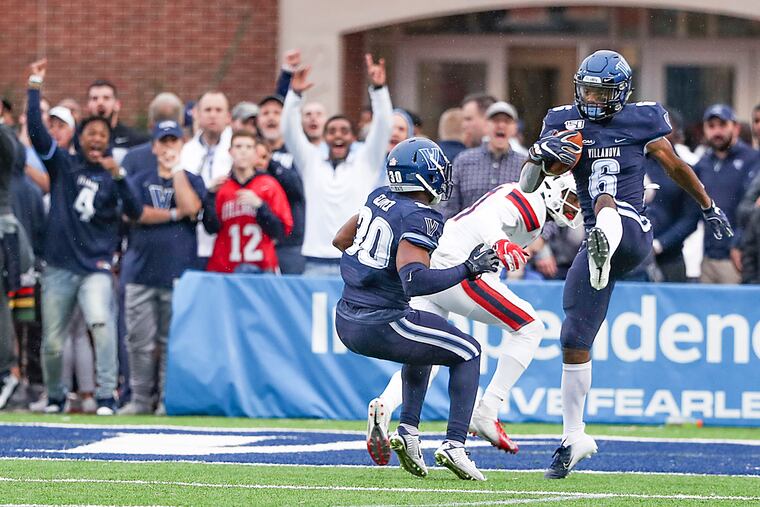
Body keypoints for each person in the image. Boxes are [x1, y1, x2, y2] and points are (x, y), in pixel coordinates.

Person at [519, 50, 732, 478]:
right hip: (594, 240)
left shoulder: (643, 119)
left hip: (633, 233)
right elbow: (527, 185)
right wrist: (539, 156)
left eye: (602, 91)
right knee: (573, 336)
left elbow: (675, 167)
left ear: (621, 93)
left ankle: (602, 242)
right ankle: (572, 437)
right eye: (587, 89)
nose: (592, 98)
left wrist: (708, 206)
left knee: (605, 204)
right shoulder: (562, 121)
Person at [365, 173, 582, 465]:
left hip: (437, 262)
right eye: (573, 196)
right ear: (555, 189)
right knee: (530, 326)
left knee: (428, 353)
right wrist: (500, 243)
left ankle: (386, 406)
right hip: (460, 264)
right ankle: (487, 411)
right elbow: (486, 219)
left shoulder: (531, 205)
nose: (576, 205)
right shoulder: (533, 201)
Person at [333, 137, 500, 481]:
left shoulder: (378, 196)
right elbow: (415, 281)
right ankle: (455, 445)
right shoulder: (421, 216)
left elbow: (340, 240)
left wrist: (373, 270)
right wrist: (469, 268)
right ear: (425, 174)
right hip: (380, 321)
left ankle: (408, 432)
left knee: (425, 345)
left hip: (347, 314)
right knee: (468, 351)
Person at [26, 59, 144, 415]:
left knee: (101, 323)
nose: (96, 139)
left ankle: (106, 396)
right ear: (80, 138)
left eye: (102, 136)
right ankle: (57, 396)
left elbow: (136, 212)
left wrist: (120, 175)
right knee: (52, 342)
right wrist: (34, 87)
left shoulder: (114, 176)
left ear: (108, 143)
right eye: (90, 134)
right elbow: (36, 131)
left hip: (94, 266)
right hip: (60, 265)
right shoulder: (64, 165)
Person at [118, 120, 205, 415]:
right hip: (140, 272)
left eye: (174, 142)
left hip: (178, 274)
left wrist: (177, 170)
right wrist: (173, 214)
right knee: (139, 342)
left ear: (182, 145)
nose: (168, 147)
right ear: (154, 146)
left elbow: (192, 209)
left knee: (172, 342)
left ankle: (167, 400)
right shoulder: (138, 179)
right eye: (163, 142)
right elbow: (136, 214)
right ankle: (140, 399)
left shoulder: (193, 180)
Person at [281, 54, 392, 276]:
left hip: (355, 259)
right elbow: (289, 131)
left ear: (353, 137)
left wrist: (378, 90)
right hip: (315, 262)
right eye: (331, 132)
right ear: (324, 137)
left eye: (344, 131)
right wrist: (294, 96)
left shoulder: (366, 162)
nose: (338, 136)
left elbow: (383, 127)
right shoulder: (311, 161)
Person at [204, 131, 293, 274]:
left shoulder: (269, 185)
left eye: (248, 147)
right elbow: (211, 228)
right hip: (225, 267)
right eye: (238, 146)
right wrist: (209, 196)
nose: (243, 152)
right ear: (230, 151)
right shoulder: (221, 187)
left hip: (262, 267)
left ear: (255, 152)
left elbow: (281, 231)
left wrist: (260, 206)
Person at [692, 105, 760, 284]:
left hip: (737, 257)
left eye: (723, 125)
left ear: (735, 127)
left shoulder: (753, 159)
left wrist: (738, 244)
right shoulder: (703, 164)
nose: (717, 131)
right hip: (707, 257)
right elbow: (692, 212)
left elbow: (751, 209)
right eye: (712, 126)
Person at [440, 101, 527, 220]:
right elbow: (449, 208)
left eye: (507, 121)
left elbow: (542, 207)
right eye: (495, 120)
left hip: (511, 237)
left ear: (514, 128)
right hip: (470, 236)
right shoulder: (464, 161)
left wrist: (541, 237)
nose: (501, 125)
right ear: (486, 125)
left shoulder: (525, 165)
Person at [644, 108, 702, 282]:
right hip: (633, 258)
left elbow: (690, 219)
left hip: (671, 258)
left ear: (676, 132)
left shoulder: (686, 169)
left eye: (665, 127)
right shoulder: (635, 163)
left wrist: (659, 245)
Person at [180, 90, 233, 266]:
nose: (213, 115)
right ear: (196, 114)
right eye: (208, 109)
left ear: (228, 117)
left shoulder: (238, 148)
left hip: (230, 241)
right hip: (193, 240)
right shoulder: (185, 151)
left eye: (219, 110)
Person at [86, 79, 150, 162]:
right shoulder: (79, 138)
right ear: (88, 106)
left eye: (106, 98)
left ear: (117, 105)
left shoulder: (135, 139)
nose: (100, 102)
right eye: (95, 98)